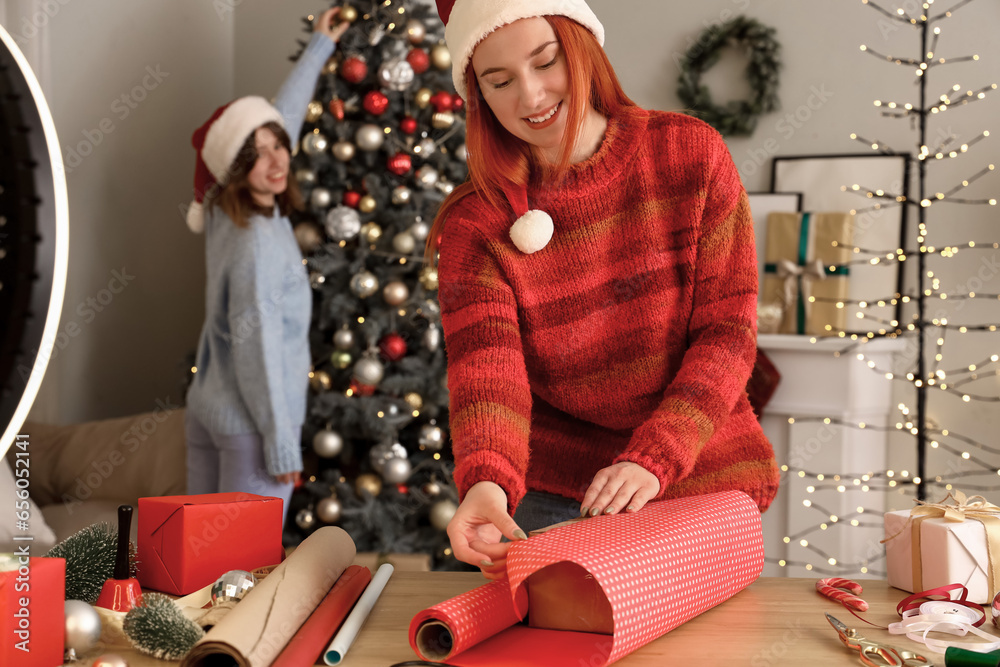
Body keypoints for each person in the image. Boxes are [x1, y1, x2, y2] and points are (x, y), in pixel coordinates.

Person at [427, 0, 781, 578]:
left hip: (700, 483)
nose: (532, 96)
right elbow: (488, 374)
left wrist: (655, 456)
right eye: (499, 81)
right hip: (556, 497)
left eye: (546, 62)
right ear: (479, 97)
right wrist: (487, 480)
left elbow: (727, 336)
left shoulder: (689, 156)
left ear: (580, 46)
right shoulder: (477, 225)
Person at [184, 8, 348, 525]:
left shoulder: (219, 210)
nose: (277, 161)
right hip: (250, 430)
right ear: (236, 167)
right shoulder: (257, 239)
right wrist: (280, 442)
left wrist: (320, 44)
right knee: (239, 577)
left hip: (207, 411)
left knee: (196, 571)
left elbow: (279, 117)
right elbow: (255, 342)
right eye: (258, 155)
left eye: (279, 146)